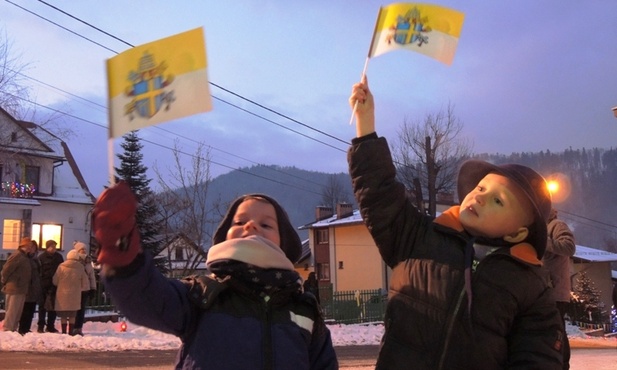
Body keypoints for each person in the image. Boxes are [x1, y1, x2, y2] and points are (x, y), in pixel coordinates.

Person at [347, 76, 564, 369]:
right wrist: (365, 127)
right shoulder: (419, 238)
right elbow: (378, 193)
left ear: (518, 234)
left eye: (499, 201)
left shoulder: (530, 288)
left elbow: (539, 358)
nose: (481, 198)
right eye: (481, 189)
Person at [92, 183, 338, 370]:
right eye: (240, 221)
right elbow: (146, 299)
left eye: (266, 225)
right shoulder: (202, 294)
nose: (251, 226)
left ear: (284, 245)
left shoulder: (304, 310)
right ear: (225, 236)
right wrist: (122, 255)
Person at [544, 208, 576, 369]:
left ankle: (562, 365)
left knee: (557, 331)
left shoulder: (557, 225)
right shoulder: (541, 228)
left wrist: (545, 242)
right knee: (550, 331)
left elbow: (569, 247)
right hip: (545, 291)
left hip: (556, 291)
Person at [52, 249, 90, 335]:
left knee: (64, 315)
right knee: (72, 315)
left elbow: (55, 281)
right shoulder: (80, 267)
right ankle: (71, 332)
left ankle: (64, 332)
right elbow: (85, 283)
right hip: (75, 295)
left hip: (62, 294)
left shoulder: (61, 267)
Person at [1, 237, 34, 332]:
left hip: (21, 288)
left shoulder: (23, 256)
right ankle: (8, 329)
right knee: (12, 311)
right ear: (24, 246)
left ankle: (13, 329)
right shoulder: (17, 256)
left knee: (17, 311)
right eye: (29, 246)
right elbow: (6, 270)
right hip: (15, 287)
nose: (30, 248)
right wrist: (5, 281)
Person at [37, 239, 64, 333]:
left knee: (53, 306)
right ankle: (40, 325)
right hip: (43, 283)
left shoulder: (58, 257)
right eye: (52, 247)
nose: (54, 249)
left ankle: (50, 325)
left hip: (55, 284)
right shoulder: (42, 257)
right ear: (47, 247)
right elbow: (39, 270)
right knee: (42, 306)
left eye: (55, 247)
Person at [72, 241, 97, 336]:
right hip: (75, 289)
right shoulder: (74, 260)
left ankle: (79, 328)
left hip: (85, 289)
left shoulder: (88, 262)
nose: (83, 251)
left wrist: (93, 288)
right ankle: (73, 327)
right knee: (75, 309)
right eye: (81, 249)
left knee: (81, 310)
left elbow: (92, 276)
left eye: (84, 249)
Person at [18, 240, 42, 335]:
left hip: (34, 287)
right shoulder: (25, 258)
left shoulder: (35, 259)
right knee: (26, 309)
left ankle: (26, 328)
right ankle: (23, 328)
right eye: (31, 247)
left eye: (34, 247)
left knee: (31, 308)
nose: (32, 249)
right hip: (28, 287)